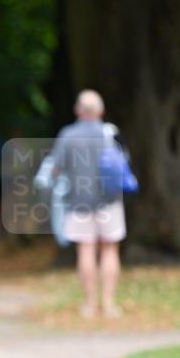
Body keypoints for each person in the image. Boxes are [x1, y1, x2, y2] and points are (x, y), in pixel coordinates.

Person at [51, 89, 127, 319]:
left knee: (85, 249)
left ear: (77, 111)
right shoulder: (110, 133)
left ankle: (90, 305)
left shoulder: (68, 135)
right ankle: (109, 303)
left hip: (78, 201)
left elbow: (56, 169)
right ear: (101, 111)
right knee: (110, 249)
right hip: (110, 201)